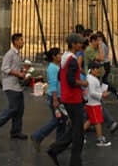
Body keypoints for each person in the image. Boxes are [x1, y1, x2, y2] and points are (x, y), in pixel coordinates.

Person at [47, 34, 89, 166]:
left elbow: (61, 76)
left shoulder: (64, 58)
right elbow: (71, 81)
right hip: (73, 98)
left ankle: (54, 149)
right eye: (79, 43)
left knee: (74, 128)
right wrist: (82, 82)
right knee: (79, 132)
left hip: (66, 97)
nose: (81, 45)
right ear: (74, 44)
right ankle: (75, 162)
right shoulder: (72, 60)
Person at [0, 32, 30, 140]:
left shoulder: (18, 54)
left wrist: (23, 71)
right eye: (21, 40)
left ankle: (16, 131)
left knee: (20, 109)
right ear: (16, 42)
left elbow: (15, 68)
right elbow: (4, 68)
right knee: (13, 108)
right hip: (10, 85)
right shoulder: (10, 54)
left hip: (17, 85)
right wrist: (18, 73)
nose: (23, 42)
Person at [32, 48, 68, 153]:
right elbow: (53, 84)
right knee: (58, 119)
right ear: (54, 57)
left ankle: (60, 143)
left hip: (60, 96)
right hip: (55, 97)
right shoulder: (52, 68)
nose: (61, 56)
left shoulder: (57, 66)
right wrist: (55, 100)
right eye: (59, 55)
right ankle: (37, 136)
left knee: (62, 120)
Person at [84, 60, 112, 147]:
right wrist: (102, 95)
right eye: (96, 69)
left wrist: (102, 92)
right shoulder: (92, 79)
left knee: (91, 120)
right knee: (97, 121)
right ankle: (100, 139)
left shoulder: (90, 77)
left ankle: (78, 135)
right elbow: (92, 93)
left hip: (91, 103)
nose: (98, 71)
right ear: (91, 70)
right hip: (94, 104)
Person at [95, 32, 118, 100]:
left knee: (103, 81)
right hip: (106, 64)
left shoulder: (101, 45)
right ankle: (106, 93)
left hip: (104, 64)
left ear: (101, 38)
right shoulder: (103, 44)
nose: (96, 39)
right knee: (103, 81)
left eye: (98, 37)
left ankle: (115, 92)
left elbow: (102, 56)